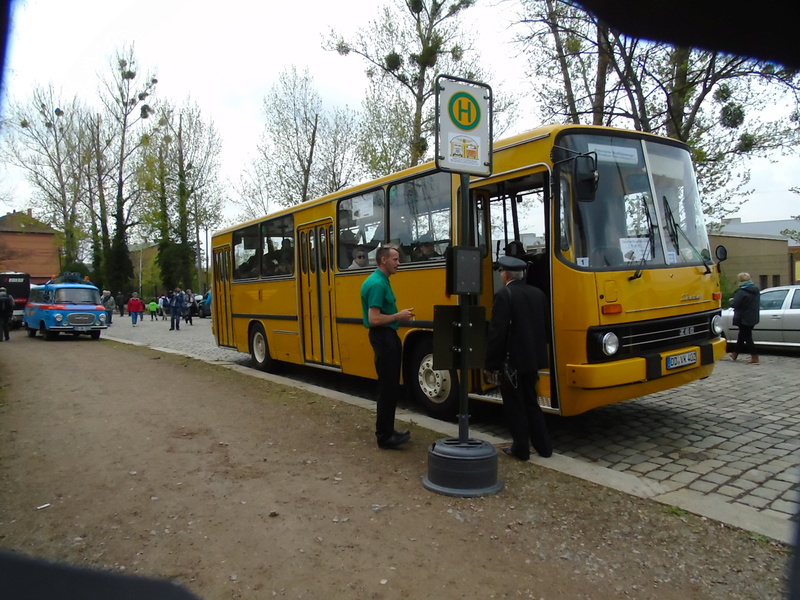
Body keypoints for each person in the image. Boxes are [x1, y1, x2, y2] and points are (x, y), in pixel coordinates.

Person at [484, 255, 552, 460]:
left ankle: (521, 448)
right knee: (532, 401)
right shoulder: (538, 293)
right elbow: (545, 329)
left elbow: (497, 334)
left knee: (514, 405)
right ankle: (544, 447)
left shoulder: (503, 295)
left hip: (511, 362)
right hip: (533, 359)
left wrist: (490, 364)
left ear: (505, 274)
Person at [360, 246, 415, 449]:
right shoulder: (377, 284)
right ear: (384, 260)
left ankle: (389, 430)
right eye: (395, 259)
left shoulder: (381, 281)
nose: (398, 263)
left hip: (387, 336)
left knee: (390, 386)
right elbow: (374, 318)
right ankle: (384, 436)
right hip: (383, 337)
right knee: (387, 387)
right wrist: (398, 316)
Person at [728, 272, 761, 364]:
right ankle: (734, 354)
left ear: (740, 280)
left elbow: (735, 304)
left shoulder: (741, 292)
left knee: (747, 337)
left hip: (743, 318)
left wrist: (731, 301)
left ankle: (755, 357)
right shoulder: (756, 290)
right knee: (742, 336)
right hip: (753, 317)